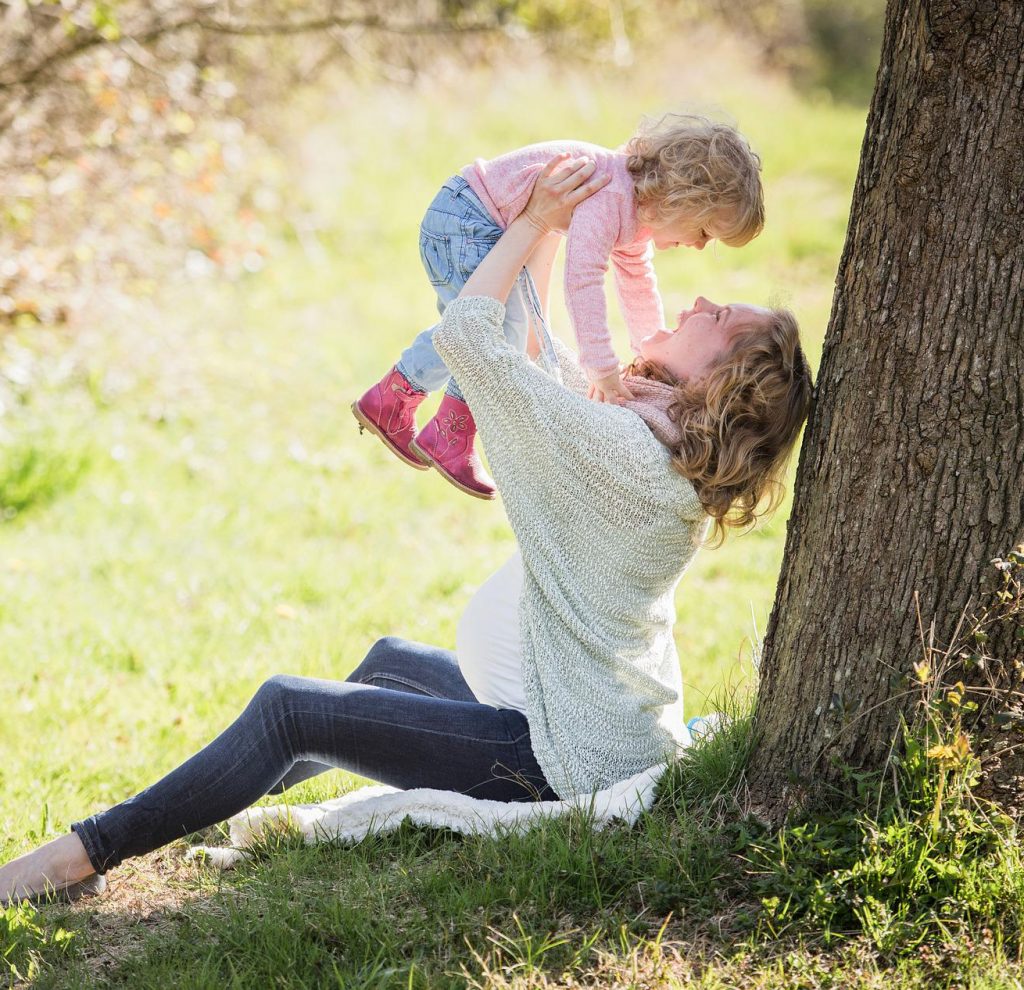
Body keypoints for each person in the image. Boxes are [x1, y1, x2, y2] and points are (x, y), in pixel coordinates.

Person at [0, 156, 811, 907]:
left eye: (721, 317)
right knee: (388, 664)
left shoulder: (623, 453)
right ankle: (201, 797)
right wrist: (554, 225)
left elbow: (471, 339)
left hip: (558, 762)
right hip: (579, 721)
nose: (698, 300)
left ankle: (79, 857)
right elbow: (536, 354)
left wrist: (528, 222)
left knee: (291, 708)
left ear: (723, 380)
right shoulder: (649, 439)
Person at [351, 114, 764, 499]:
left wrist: (647, 349)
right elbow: (582, 279)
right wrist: (601, 367)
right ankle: (448, 431)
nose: (697, 245)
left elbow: (637, 283)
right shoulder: (612, 196)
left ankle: (393, 399)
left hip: (475, 219)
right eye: (704, 231)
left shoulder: (636, 214)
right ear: (680, 199)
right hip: (466, 220)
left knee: (487, 326)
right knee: (489, 329)